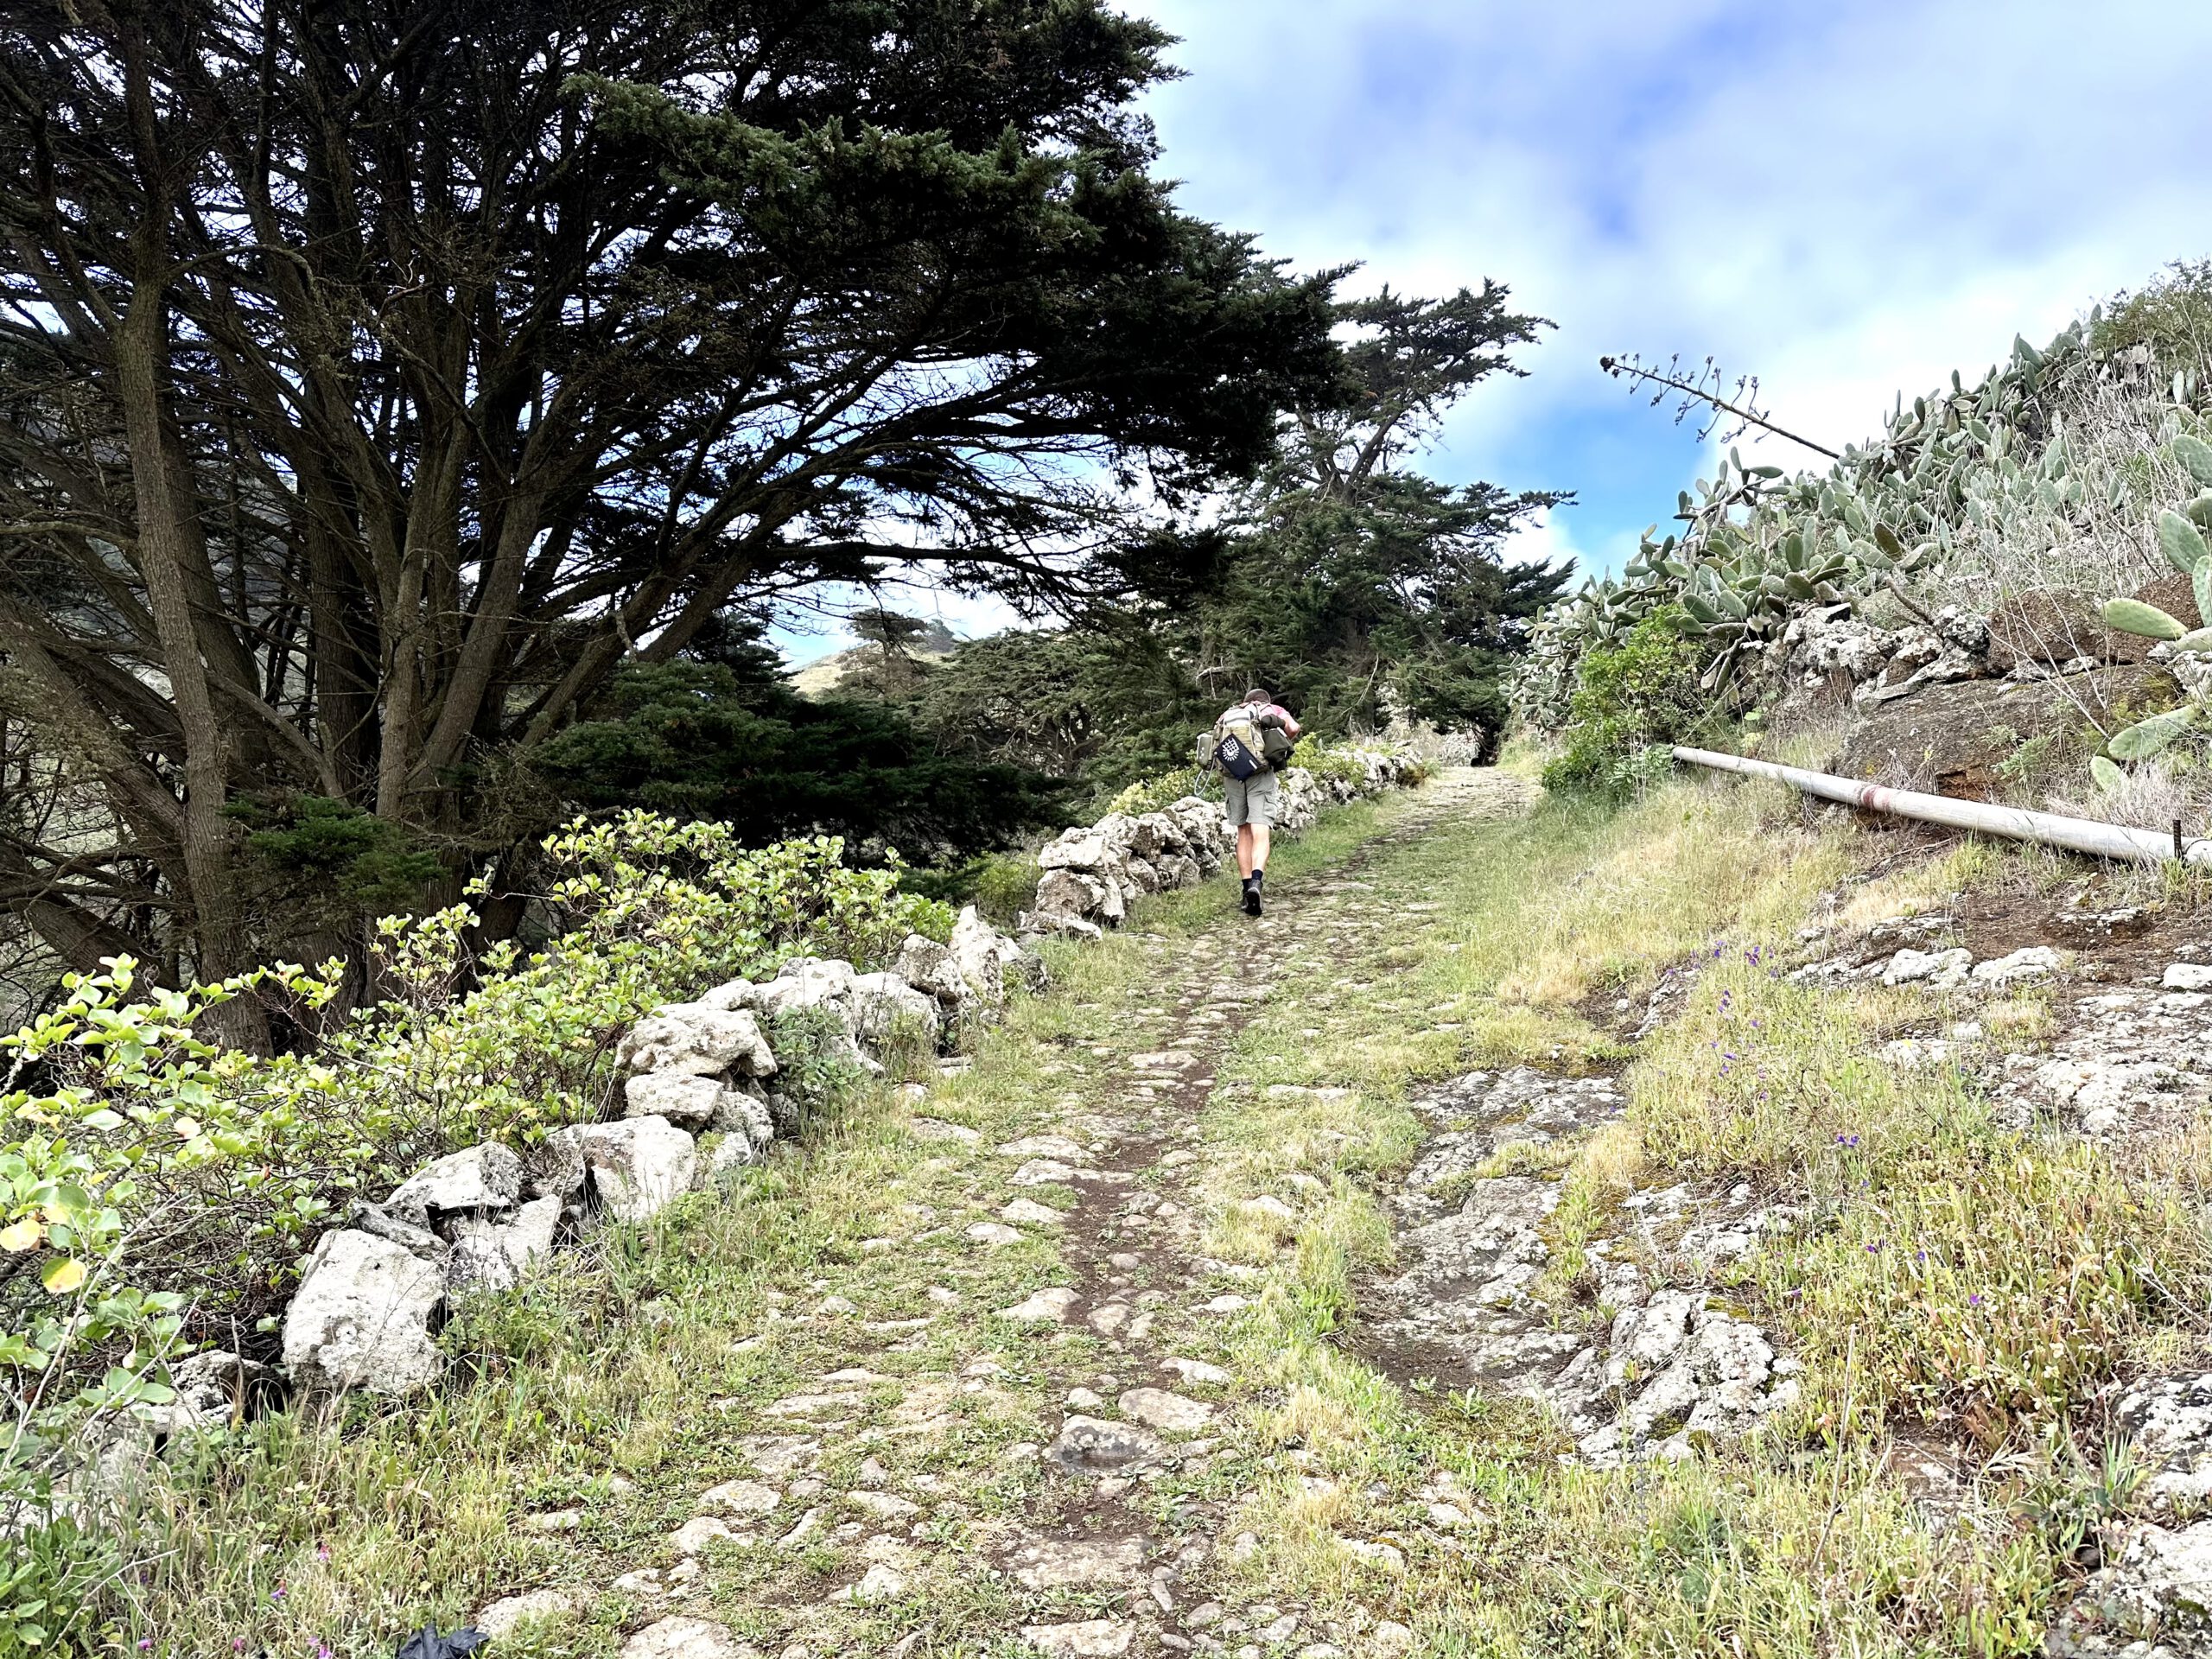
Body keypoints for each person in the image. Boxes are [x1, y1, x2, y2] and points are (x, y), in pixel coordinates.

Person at [1202, 688, 1300, 916]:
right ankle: (1256, 883)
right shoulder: (1271, 709)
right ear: (1264, 700)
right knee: (1260, 829)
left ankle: (1246, 889)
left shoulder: (1228, 714)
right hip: (1260, 774)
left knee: (1243, 832)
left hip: (1233, 775)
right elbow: (1294, 728)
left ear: (1245, 701)